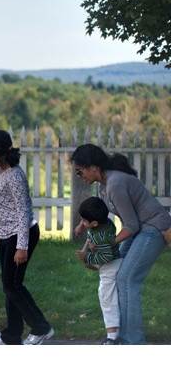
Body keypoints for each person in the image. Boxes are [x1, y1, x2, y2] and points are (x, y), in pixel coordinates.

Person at [71, 144, 171, 345]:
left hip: (154, 228)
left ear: (93, 167)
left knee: (127, 278)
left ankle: (131, 340)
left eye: (79, 171)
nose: (79, 175)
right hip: (138, 228)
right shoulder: (103, 185)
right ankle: (117, 335)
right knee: (117, 274)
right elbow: (104, 218)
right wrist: (83, 224)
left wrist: (106, 246)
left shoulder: (115, 183)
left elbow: (131, 225)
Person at [0, 130, 54, 346]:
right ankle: (11, 337)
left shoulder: (15, 175)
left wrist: (22, 246)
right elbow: (4, 207)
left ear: (2, 154)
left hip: (21, 234)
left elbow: (23, 212)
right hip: (7, 233)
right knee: (8, 285)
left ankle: (42, 328)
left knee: (13, 285)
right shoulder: (0, 171)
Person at [75, 196, 123, 345]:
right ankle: (115, 333)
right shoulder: (104, 222)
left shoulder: (100, 236)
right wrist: (81, 226)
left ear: (94, 223)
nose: (82, 222)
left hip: (110, 266)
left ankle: (112, 337)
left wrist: (87, 258)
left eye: (84, 221)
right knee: (109, 297)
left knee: (106, 297)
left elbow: (107, 256)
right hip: (111, 261)